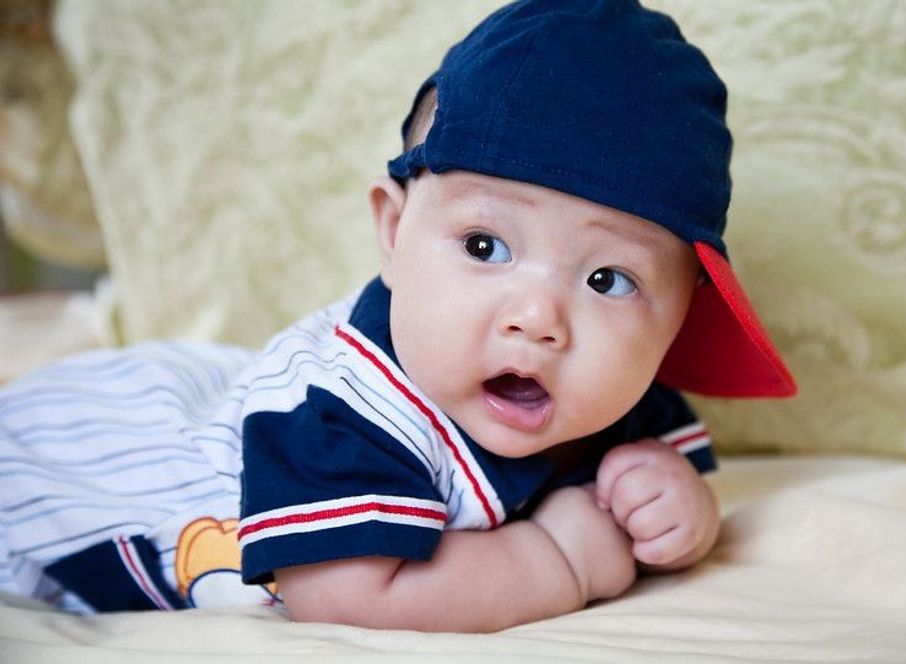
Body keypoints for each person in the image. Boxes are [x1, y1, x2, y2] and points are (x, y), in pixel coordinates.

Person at [0, 0, 795, 632]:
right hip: (66, 473)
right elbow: (346, 595)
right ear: (393, 231)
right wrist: (561, 557)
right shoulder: (345, 411)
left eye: (609, 279)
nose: (538, 318)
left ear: (680, 315)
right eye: (485, 245)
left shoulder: (614, 394)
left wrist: (675, 511)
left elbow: (659, 491)